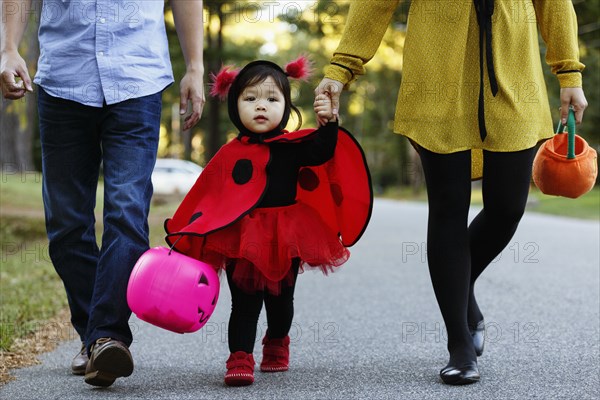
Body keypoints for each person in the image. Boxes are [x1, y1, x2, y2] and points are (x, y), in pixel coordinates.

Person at [315, 1, 588, 385]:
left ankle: (461, 287)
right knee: (447, 207)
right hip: (436, 76)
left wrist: (569, 73)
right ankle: (459, 344)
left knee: (508, 207)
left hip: (514, 71)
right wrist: (341, 69)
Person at [0, 0, 205, 387]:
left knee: (126, 211)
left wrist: (194, 66)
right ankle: (93, 334)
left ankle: (107, 336)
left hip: (137, 79)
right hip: (63, 79)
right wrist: (8, 48)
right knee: (66, 223)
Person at [164, 58, 372, 386]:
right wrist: (188, 228)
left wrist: (329, 122)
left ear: (286, 107)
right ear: (235, 106)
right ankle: (240, 357)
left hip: (285, 235)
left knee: (281, 300)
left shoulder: (291, 147)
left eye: (272, 99)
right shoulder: (230, 153)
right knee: (244, 302)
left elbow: (320, 152)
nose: (261, 106)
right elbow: (209, 196)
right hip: (241, 236)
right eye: (250, 99)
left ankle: (277, 343)